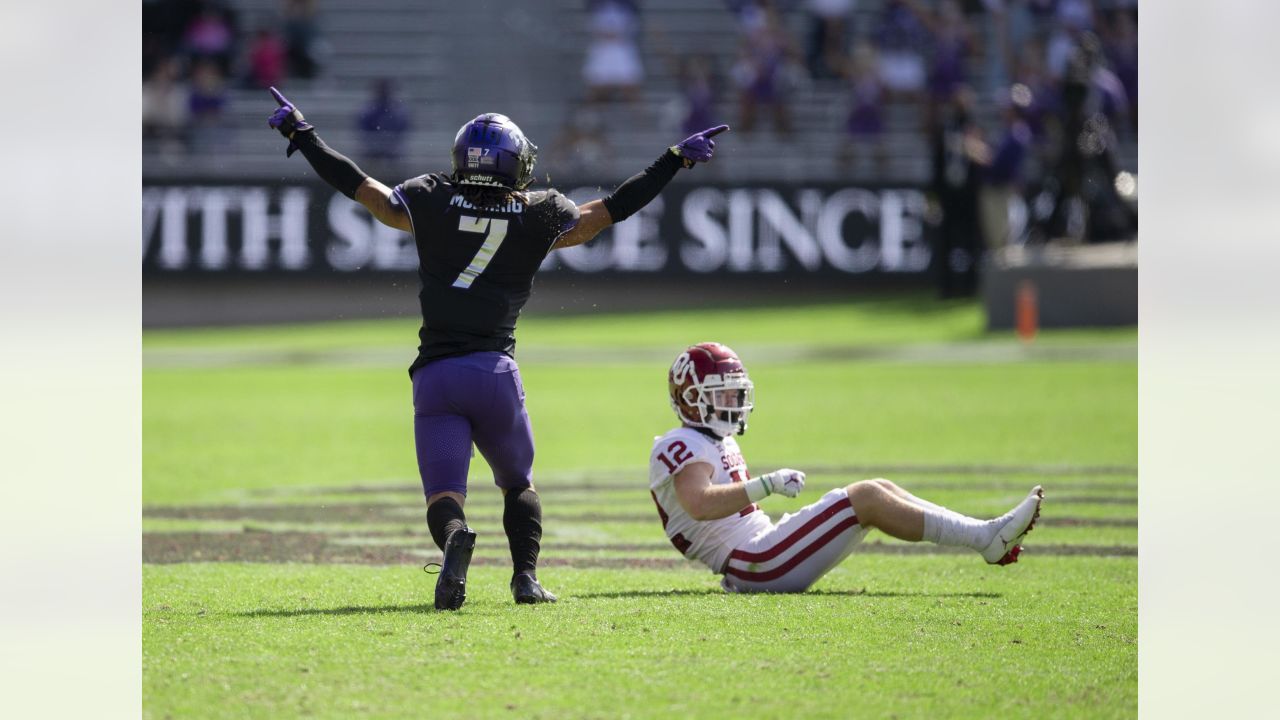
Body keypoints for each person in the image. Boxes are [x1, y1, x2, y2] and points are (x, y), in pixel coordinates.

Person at [266, 87, 730, 610]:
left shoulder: (430, 195)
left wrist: (302, 136)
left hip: (436, 377)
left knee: (444, 496)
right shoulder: (540, 212)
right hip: (494, 375)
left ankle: (455, 539)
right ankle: (525, 579)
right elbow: (612, 208)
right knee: (517, 484)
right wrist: (671, 161)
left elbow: (363, 189)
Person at [649, 342, 1043, 594]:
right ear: (690, 399)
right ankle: (984, 537)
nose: (734, 400)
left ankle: (985, 534)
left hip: (760, 553)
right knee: (865, 498)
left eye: (737, 391)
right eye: (723, 392)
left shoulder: (716, 440)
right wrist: (764, 485)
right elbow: (698, 503)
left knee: (879, 487)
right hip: (752, 562)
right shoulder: (679, 443)